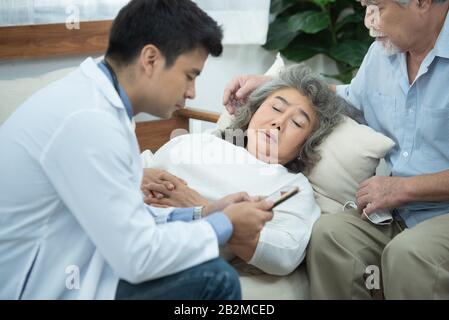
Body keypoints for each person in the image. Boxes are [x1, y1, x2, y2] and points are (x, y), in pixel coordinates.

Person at [0, 0, 274, 300]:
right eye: (190, 75)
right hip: (34, 288)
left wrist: (203, 212)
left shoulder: (99, 104)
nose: (192, 92)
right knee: (214, 278)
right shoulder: (88, 121)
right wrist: (225, 225)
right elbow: (137, 256)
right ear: (151, 59)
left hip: (75, 264)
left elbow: (127, 217)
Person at [221, 0, 449, 299]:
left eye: (378, 7)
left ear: (421, 3)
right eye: (367, 7)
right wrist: (276, 85)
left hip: (437, 212)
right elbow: (349, 99)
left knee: (409, 254)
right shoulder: (383, 55)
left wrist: (405, 189)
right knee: (329, 234)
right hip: (399, 213)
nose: (371, 21)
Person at [142, 65, 344, 276]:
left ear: (306, 143)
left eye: (297, 122)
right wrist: (140, 175)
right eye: (276, 108)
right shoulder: (200, 140)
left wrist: (201, 209)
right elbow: (129, 168)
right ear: (254, 110)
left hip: (163, 253)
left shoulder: (290, 187)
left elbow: (285, 256)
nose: (278, 123)